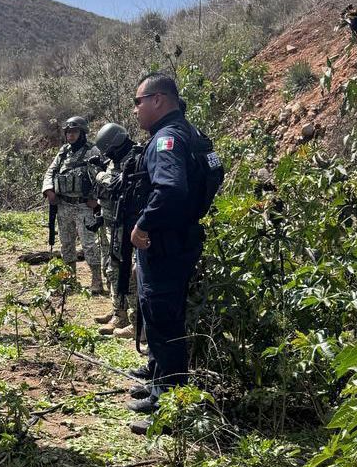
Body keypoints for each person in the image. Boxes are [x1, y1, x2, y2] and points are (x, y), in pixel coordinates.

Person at [126, 74, 224, 431]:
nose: (135, 110)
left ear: (158, 100)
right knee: (163, 314)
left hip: (164, 243)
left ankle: (170, 408)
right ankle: (158, 384)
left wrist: (144, 225)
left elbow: (168, 189)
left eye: (138, 102)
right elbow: (216, 172)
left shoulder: (166, 139)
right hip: (182, 238)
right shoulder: (193, 134)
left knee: (164, 319)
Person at [41, 116, 108, 293]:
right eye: (68, 132)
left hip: (84, 206)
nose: (70, 136)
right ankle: (70, 281)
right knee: (67, 243)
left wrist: (96, 199)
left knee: (89, 244)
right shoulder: (63, 152)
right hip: (64, 205)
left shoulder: (92, 151)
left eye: (74, 132)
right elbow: (50, 172)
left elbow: (103, 177)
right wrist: (48, 190)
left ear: (82, 133)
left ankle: (96, 281)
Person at [93, 123, 141, 339]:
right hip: (111, 221)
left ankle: (136, 322)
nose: (108, 154)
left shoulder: (134, 158)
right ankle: (118, 313)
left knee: (127, 273)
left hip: (127, 225)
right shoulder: (115, 158)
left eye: (109, 150)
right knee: (112, 269)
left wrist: (99, 175)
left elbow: (117, 184)